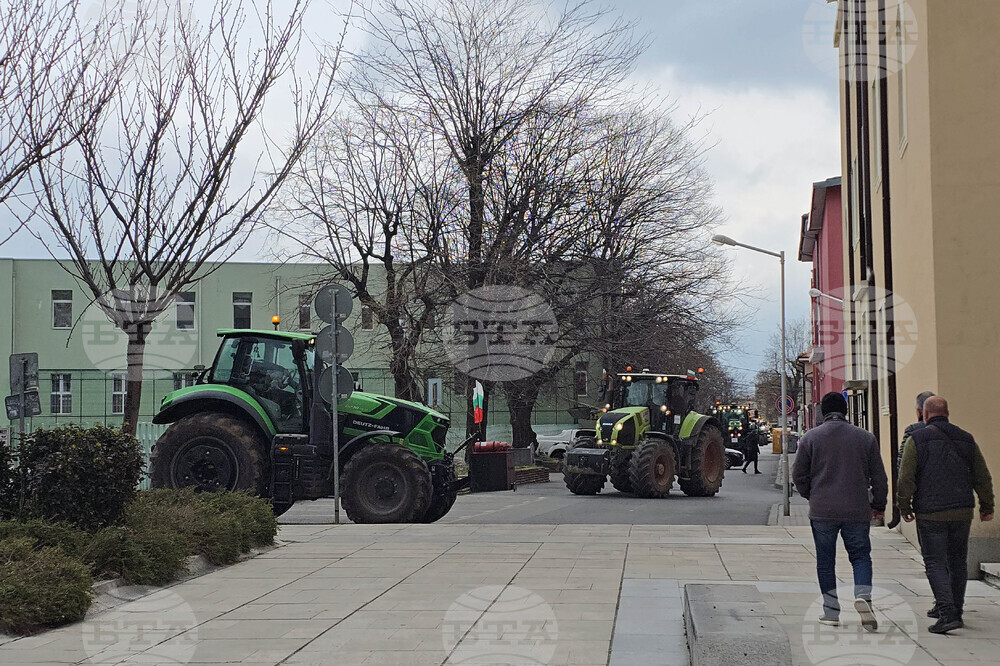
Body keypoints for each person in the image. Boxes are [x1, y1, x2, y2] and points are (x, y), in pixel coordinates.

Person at [897, 396, 994, 634]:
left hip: (930, 512)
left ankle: (947, 612)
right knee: (957, 561)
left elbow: (906, 477)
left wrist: (904, 506)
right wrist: (986, 505)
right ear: (947, 412)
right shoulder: (966, 439)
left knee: (935, 561)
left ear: (924, 414)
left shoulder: (917, 439)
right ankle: (956, 610)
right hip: (962, 511)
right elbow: (982, 475)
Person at [792, 392, 887, 631]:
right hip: (856, 508)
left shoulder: (811, 438)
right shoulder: (865, 438)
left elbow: (798, 475)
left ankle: (831, 612)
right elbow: (879, 476)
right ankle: (864, 596)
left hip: (823, 510)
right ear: (846, 410)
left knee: (825, 562)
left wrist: (810, 495)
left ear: (822, 412)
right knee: (861, 556)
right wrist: (878, 505)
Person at [888, 391, 935, 529]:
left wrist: (904, 505)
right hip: (956, 501)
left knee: (930, 547)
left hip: (924, 498)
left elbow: (903, 468)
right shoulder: (957, 433)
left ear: (920, 411)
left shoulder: (913, 431)